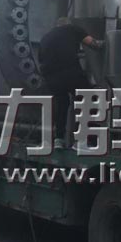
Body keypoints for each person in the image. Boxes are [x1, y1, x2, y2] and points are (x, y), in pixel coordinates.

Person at [39, 18, 104, 150]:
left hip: (51, 77)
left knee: (62, 104)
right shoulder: (73, 29)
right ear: (68, 24)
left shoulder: (45, 37)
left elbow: (41, 58)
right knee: (88, 99)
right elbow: (94, 44)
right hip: (71, 72)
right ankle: (84, 140)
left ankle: (59, 139)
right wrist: (109, 42)